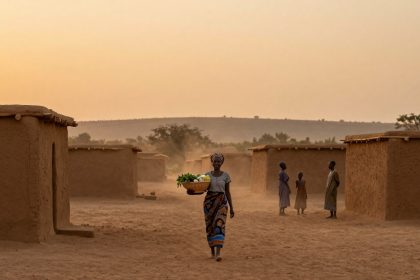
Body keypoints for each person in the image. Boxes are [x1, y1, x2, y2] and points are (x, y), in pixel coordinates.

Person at [188, 153, 234, 262]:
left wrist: (232, 208)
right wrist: (191, 193)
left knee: (219, 225)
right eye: (215, 161)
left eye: (219, 161)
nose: (217, 163)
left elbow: (227, 192)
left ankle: (218, 254)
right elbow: (202, 190)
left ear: (222, 163)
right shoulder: (207, 176)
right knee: (210, 227)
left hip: (222, 203)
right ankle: (212, 252)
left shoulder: (226, 176)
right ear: (212, 162)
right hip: (209, 203)